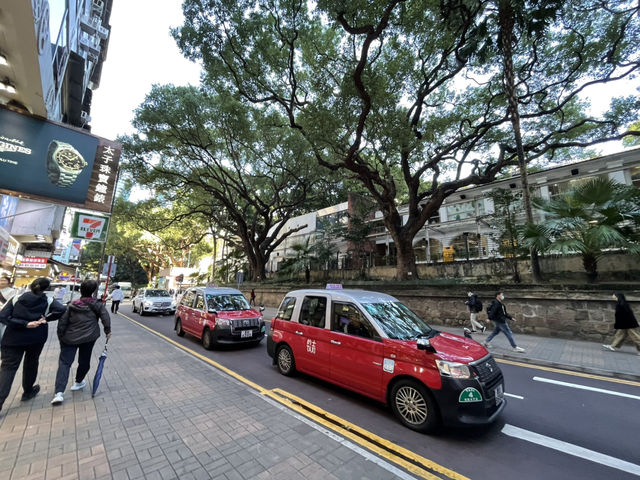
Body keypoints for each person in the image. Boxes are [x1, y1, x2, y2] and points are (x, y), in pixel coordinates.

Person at [0, 278, 66, 415]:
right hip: (36, 338)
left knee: (8, 368)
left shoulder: (16, 298)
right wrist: (46, 319)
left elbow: (3, 316)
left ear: (31, 286)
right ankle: (28, 391)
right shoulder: (48, 301)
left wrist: (23, 323)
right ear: (46, 288)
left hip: (13, 338)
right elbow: (62, 309)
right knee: (31, 363)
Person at [51, 280, 111, 405]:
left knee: (64, 363)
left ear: (80, 290)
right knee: (84, 360)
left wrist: (61, 336)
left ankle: (59, 393)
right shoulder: (97, 305)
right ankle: (78, 382)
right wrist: (107, 331)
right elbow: (105, 317)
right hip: (89, 337)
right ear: (93, 291)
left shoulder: (72, 304)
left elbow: (62, 322)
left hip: (69, 338)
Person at [0, 275, 17, 342]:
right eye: (1, 280)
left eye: (4, 280)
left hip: (4, 313)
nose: (2, 282)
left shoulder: (12, 291)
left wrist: (2, 308)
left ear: (8, 282)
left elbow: (10, 302)